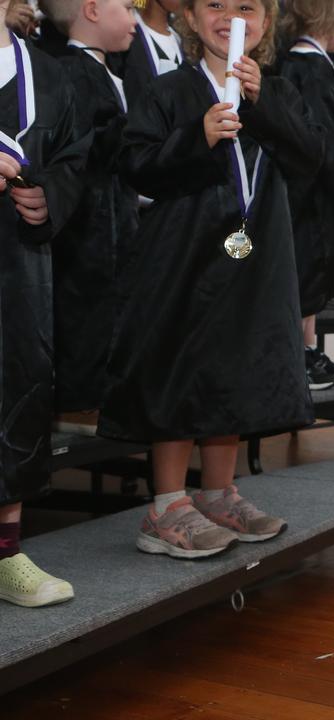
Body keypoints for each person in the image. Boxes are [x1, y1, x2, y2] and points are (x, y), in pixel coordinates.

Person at [97, 0, 319, 558]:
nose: (230, 16)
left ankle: (218, 492)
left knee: (237, 366)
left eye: (246, 5)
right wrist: (197, 136)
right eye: (214, 4)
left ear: (266, 21)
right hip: (183, 254)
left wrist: (264, 105)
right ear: (191, 19)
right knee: (180, 366)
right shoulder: (168, 90)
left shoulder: (280, 90)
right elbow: (137, 166)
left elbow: (312, 160)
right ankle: (166, 505)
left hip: (257, 256)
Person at [0, 0, 84, 606]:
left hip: (19, 260)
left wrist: (52, 195)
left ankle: (6, 555)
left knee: (17, 389)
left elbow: (77, 160)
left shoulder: (51, 74)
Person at [45, 0, 137, 415]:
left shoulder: (105, 70)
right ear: (93, 11)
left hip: (113, 217)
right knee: (86, 310)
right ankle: (81, 401)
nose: (134, 18)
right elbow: (85, 146)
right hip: (88, 225)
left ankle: (101, 393)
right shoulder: (73, 71)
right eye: (126, 6)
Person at [278, 0, 334, 389]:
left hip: (314, 187)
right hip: (308, 188)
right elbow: (323, 140)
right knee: (304, 273)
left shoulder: (316, 63)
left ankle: (307, 350)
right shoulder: (306, 67)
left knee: (311, 275)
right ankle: (298, 356)